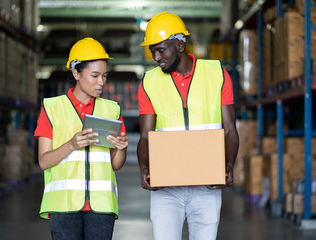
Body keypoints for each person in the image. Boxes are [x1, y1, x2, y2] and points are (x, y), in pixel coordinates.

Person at [137, 12, 239, 240]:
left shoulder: (217, 74)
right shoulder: (149, 82)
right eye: (152, 50)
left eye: (161, 50)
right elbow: (145, 135)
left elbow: (230, 128)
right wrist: (144, 168)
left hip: (206, 186)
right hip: (166, 189)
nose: (156, 56)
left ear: (180, 45)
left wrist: (229, 165)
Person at [34, 37, 129, 240]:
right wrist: (71, 144)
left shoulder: (111, 110)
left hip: (102, 208)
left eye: (104, 76)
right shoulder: (52, 109)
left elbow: (116, 165)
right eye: (94, 76)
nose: (101, 82)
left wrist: (121, 148)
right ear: (76, 73)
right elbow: (43, 161)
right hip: (64, 206)